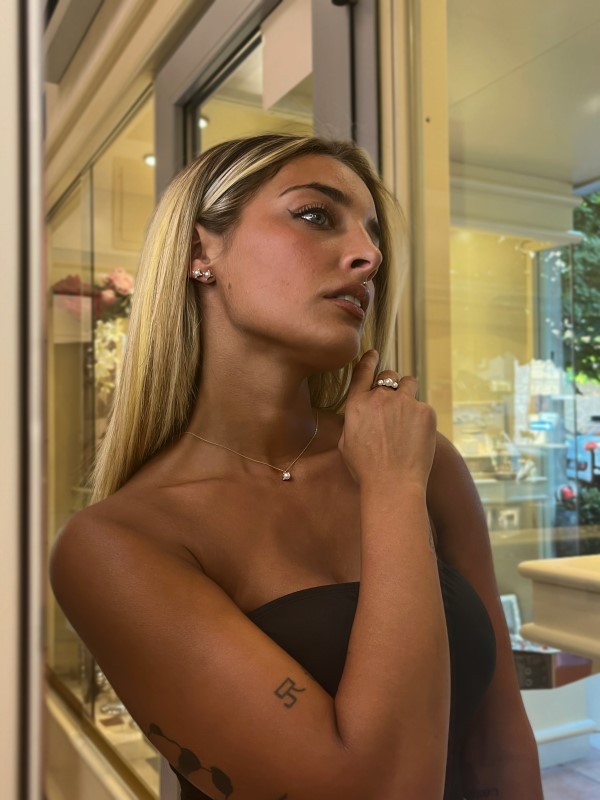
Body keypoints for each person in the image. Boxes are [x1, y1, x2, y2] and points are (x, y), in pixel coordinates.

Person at [50, 133, 543, 800]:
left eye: (373, 234)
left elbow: (500, 744)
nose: (369, 256)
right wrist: (391, 491)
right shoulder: (116, 545)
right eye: (315, 215)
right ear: (200, 252)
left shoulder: (428, 464)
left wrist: (400, 477)